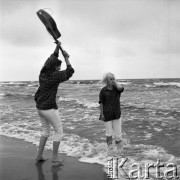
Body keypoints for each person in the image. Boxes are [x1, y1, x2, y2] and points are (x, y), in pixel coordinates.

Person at [34, 41, 74, 163]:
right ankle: (55, 158)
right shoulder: (55, 76)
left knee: (45, 132)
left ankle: (39, 156)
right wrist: (67, 58)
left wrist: (57, 46)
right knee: (59, 131)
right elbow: (70, 71)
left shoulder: (43, 73)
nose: (59, 68)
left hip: (40, 107)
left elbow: (52, 58)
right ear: (55, 68)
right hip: (49, 109)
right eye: (59, 67)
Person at [99, 72, 124, 150]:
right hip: (107, 114)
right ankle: (110, 150)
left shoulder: (117, 89)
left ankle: (119, 151)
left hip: (116, 113)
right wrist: (102, 114)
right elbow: (101, 103)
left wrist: (115, 82)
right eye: (111, 79)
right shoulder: (103, 90)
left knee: (118, 134)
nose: (112, 80)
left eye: (113, 78)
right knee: (109, 133)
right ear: (107, 80)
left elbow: (122, 88)